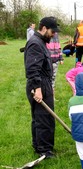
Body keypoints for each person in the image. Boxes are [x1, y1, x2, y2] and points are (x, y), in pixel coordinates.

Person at [24, 16, 61, 159]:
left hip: (43, 84)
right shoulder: (35, 43)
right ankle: (45, 151)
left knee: (39, 117)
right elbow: (32, 69)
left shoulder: (40, 42)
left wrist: (49, 86)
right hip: (38, 85)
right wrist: (38, 89)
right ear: (44, 28)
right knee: (44, 118)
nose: (54, 35)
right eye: (52, 31)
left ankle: (38, 146)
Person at [46, 32, 63, 98]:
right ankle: (48, 96)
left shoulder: (56, 35)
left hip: (55, 61)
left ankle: (52, 97)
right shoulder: (46, 35)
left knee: (53, 79)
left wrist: (61, 58)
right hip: (48, 61)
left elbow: (59, 47)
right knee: (48, 80)